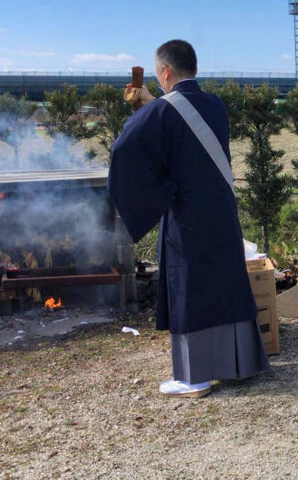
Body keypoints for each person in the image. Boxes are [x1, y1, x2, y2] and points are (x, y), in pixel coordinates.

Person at [108, 39, 270, 398]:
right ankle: (238, 365)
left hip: (187, 215)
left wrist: (158, 190)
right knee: (226, 283)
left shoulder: (160, 112)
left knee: (191, 290)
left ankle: (194, 378)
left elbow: (124, 149)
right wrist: (154, 103)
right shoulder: (216, 105)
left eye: (158, 74)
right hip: (222, 211)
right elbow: (185, 131)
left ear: (164, 72)